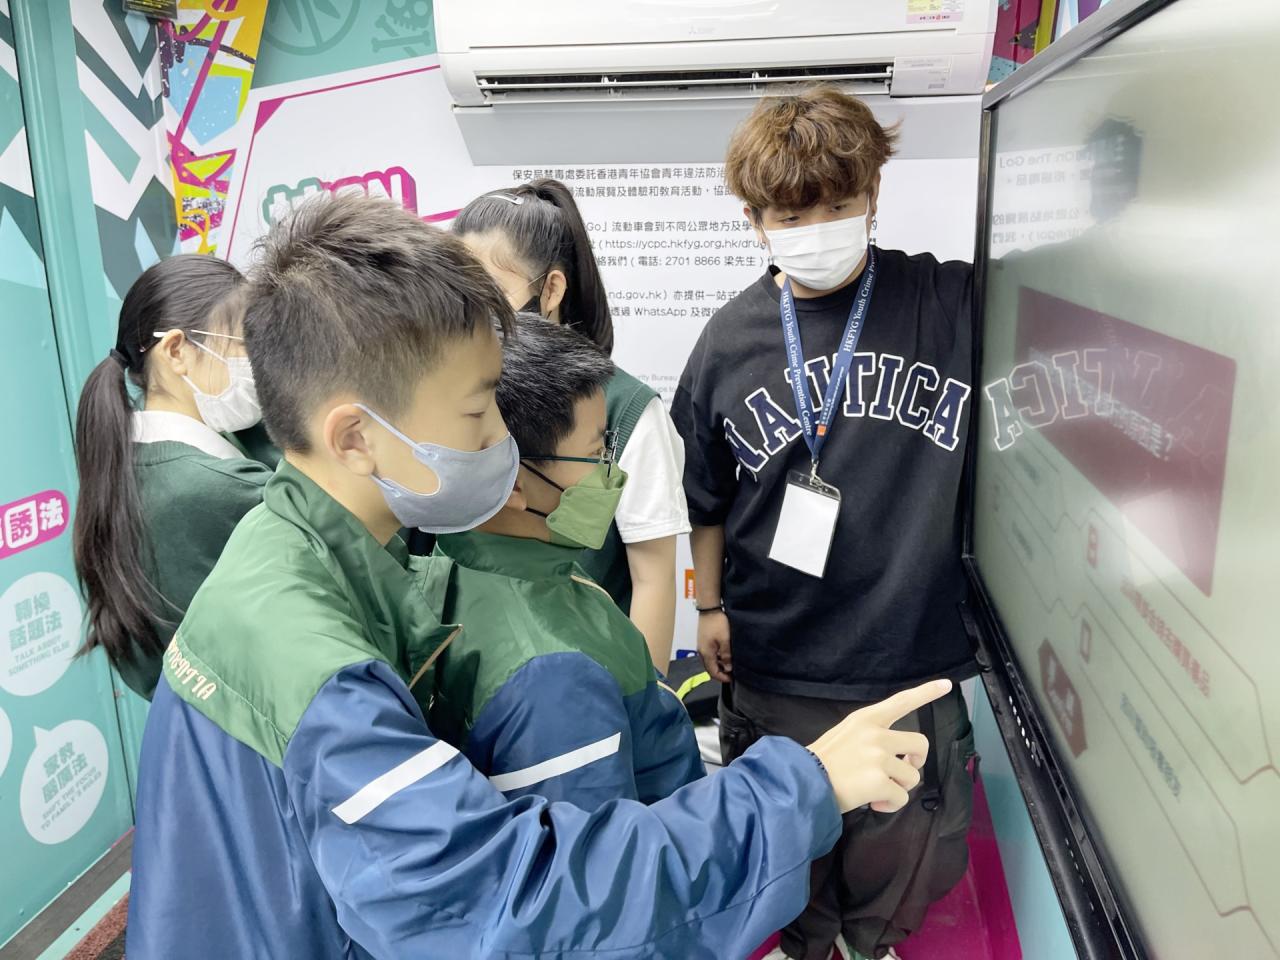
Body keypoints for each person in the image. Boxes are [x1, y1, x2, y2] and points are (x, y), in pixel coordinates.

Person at [125, 192, 953, 960]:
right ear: (355, 437)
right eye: (478, 410)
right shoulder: (308, 655)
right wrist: (803, 786)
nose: (503, 440)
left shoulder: (302, 550)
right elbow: (502, 898)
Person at [672, 85, 978, 960]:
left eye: (838, 205)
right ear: (754, 220)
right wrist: (709, 608)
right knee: (788, 859)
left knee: (899, 858)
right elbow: (706, 496)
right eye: (791, 214)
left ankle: (872, 947)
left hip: (908, 656)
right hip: (777, 660)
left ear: (873, 193)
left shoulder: (948, 300)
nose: (817, 228)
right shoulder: (728, 340)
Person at [430, 315, 703, 810]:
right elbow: (600, 849)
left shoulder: (465, 562)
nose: (611, 474)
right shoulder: (553, 678)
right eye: (597, 453)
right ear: (513, 480)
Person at [453, 180, 689, 668]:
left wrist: (645, 697)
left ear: (552, 289)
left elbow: (652, 579)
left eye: (490, 293)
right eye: (459, 293)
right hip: (473, 666)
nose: (473, 314)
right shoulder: (452, 396)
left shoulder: (626, 409)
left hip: (585, 674)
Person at [72, 256, 270, 700]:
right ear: (177, 351)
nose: (258, 362)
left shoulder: (130, 463)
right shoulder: (215, 488)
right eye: (244, 343)